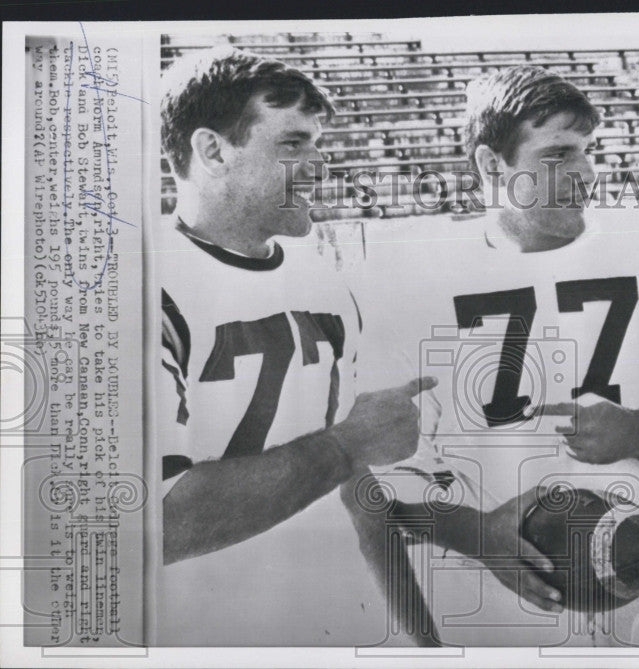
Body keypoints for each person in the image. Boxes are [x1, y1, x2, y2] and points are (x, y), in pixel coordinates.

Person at [358, 65, 639, 647]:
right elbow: (380, 477)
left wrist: (636, 432)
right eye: (557, 156)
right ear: (491, 165)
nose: (584, 174)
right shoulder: (416, 282)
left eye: (587, 152)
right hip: (499, 607)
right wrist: (478, 534)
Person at [155, 47, 436, 646]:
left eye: (316, 145)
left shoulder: (325, 280)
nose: (318, 166)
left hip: (335, 625)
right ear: (212, 151)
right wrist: (344, 445)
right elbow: (156, 522)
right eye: (292, 145)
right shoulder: (136, 287)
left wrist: (425, 642)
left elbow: (357, 494)